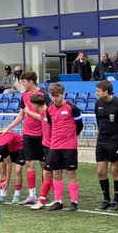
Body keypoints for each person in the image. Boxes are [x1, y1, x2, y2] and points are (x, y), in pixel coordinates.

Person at [34, 83, 83, 211]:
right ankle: (58, 201)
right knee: (56, 173)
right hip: (54, 146)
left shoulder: (72, 108)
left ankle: (74, 202)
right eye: (53, 96)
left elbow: (79, 125)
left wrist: (71, 136)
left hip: (69, 146)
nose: (55, 99)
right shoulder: (49, 110)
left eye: (57, 96)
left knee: (71, 173)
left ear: (63, 94)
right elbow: (51, 124)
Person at [2, 71, 48, 204]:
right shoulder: (24, 96)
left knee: (43, 164)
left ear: (31, 82)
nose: (22, 83)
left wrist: (29, 113)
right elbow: (21, 115)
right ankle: (31, 195)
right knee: (29, 163)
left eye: (24, 81)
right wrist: (8, 128)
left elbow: (45, 118)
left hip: (42, 135)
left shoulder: (43, 95)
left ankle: (44, 194)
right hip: (27, 135)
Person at [93, 79, 118, 210]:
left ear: (106, 92)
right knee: (101, 171)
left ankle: (116, 201)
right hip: (101, 140)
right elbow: (98, 120)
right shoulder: (98, 103)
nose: (96, 93)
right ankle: (106, 199)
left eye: (98, 91)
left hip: (115, 141)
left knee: (115, 170)